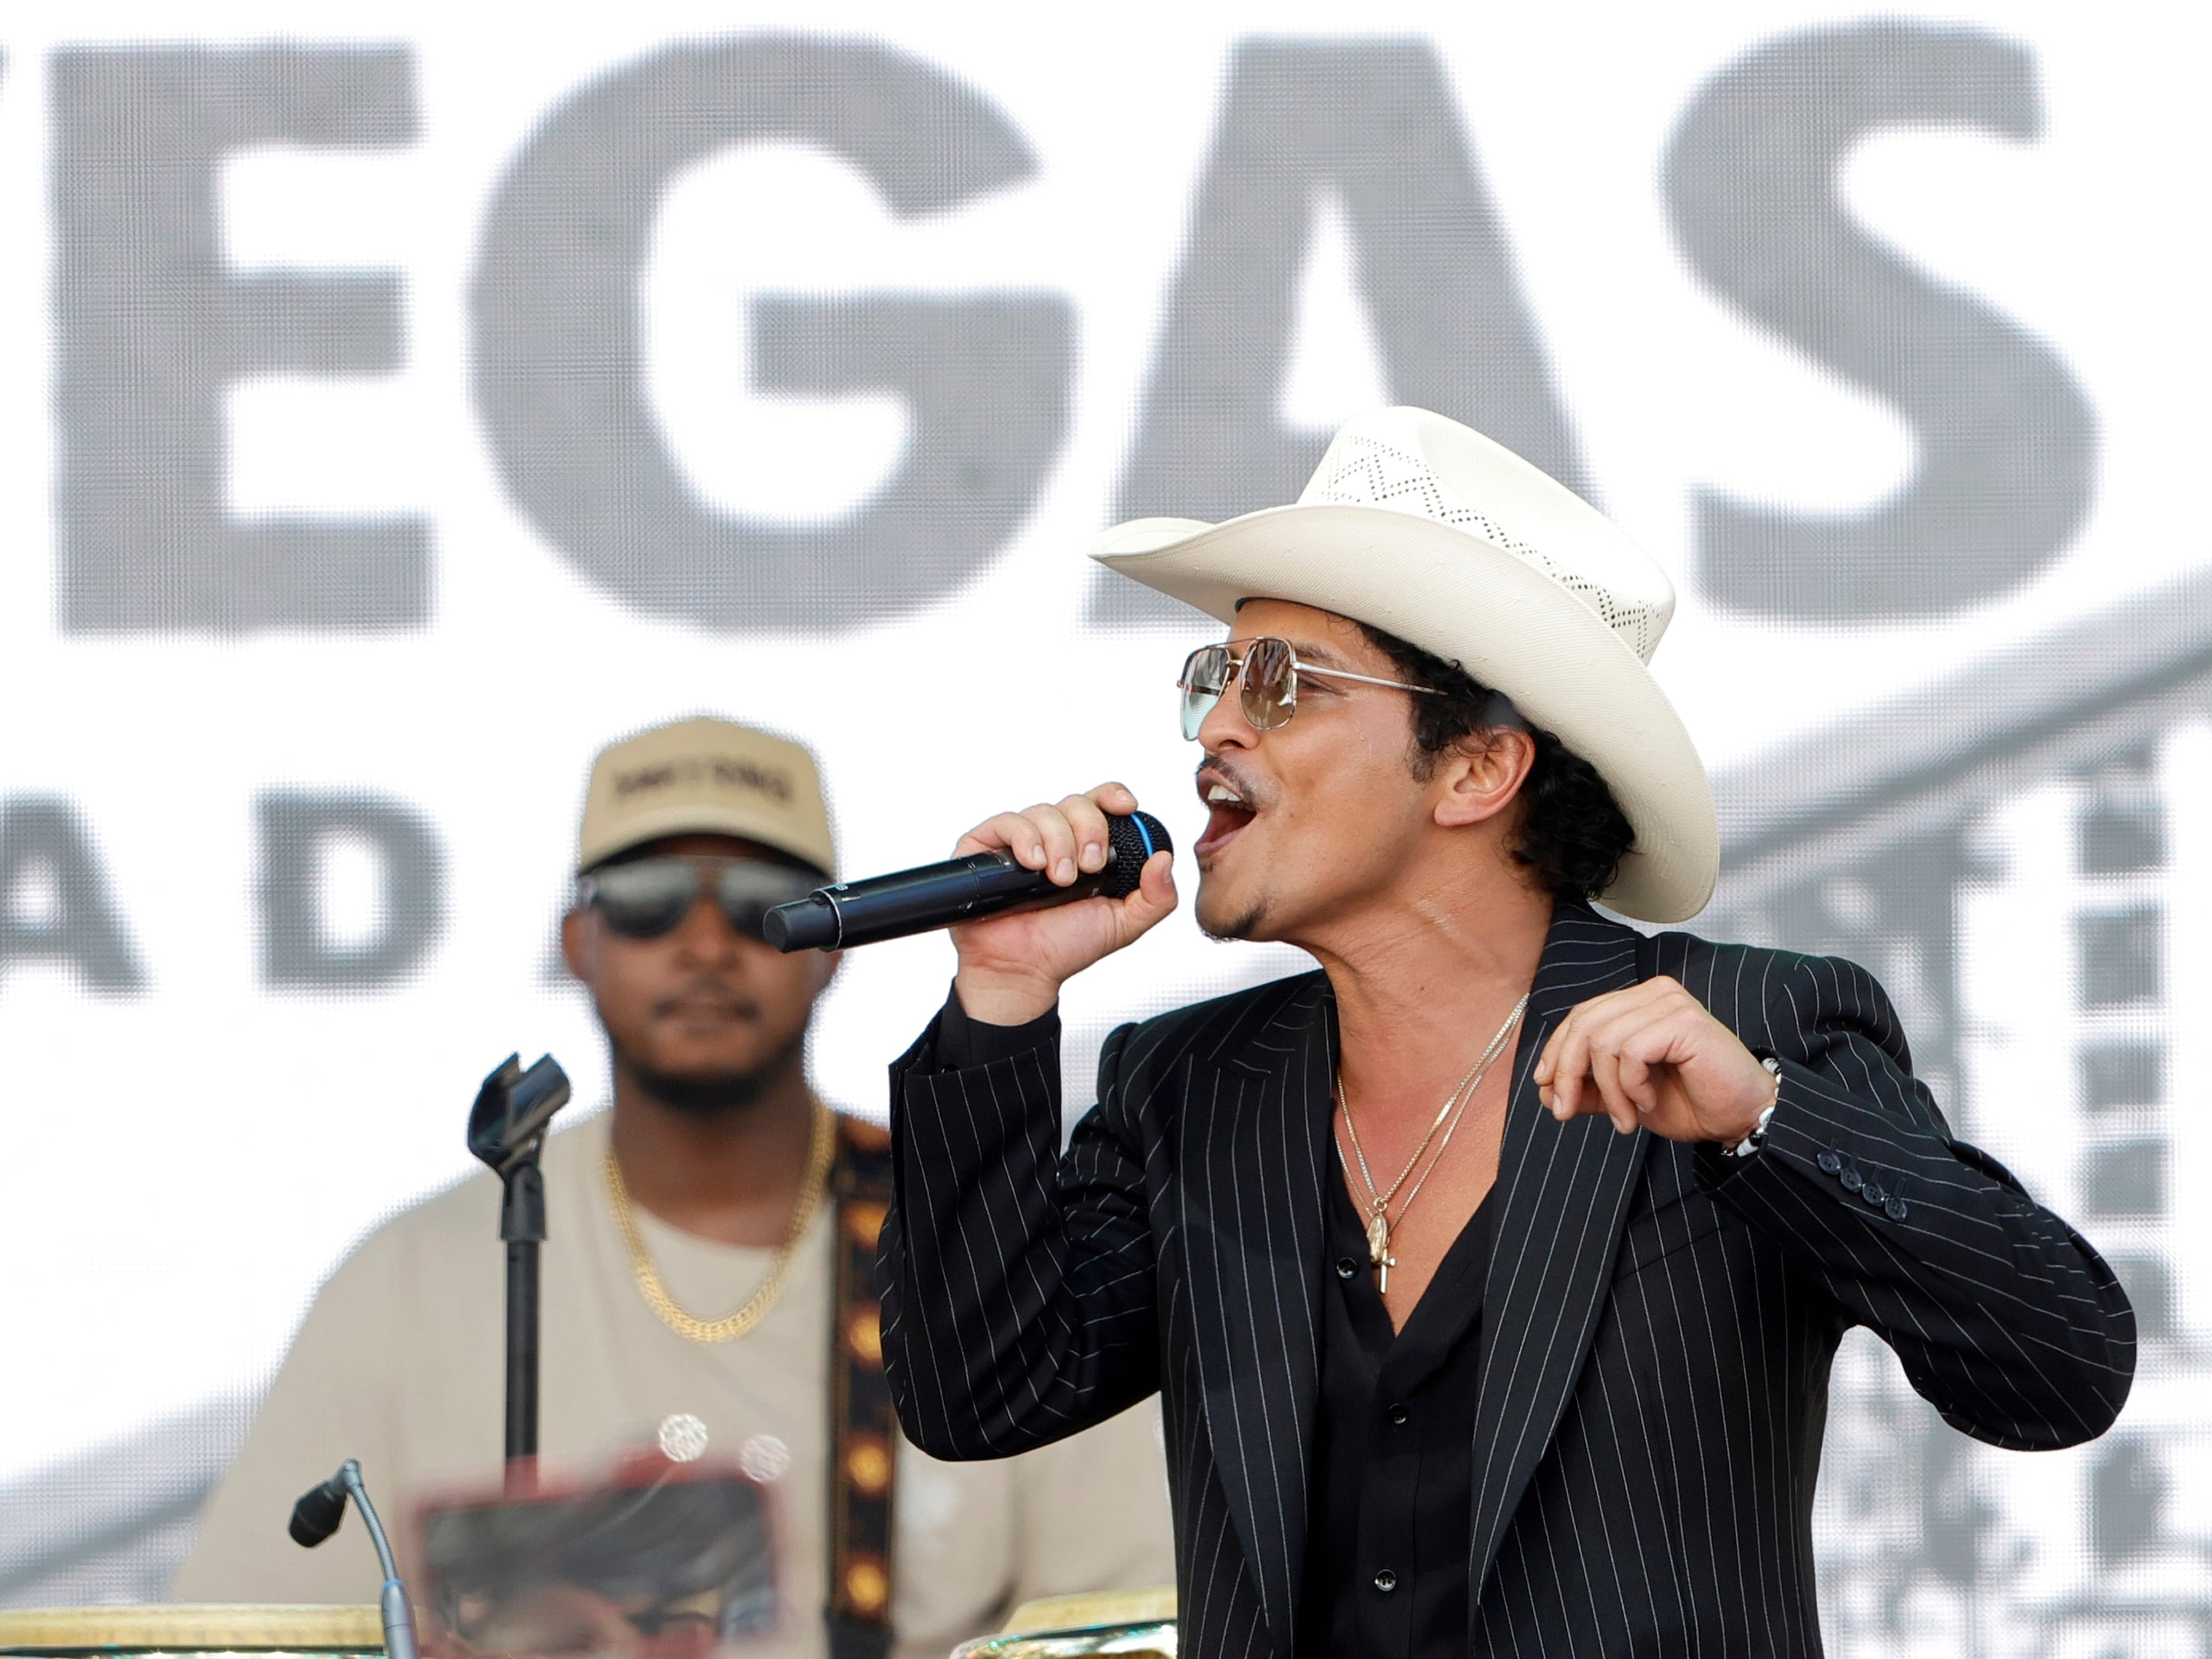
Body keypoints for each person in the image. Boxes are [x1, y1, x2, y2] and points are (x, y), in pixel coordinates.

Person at [877, 408, 2136, 1658]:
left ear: (1476, 771)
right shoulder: (1189, 1084)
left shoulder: (1761, 1028)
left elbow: (2058, 1370)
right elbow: (978, 1392)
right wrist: (1002, 993)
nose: (1216, 727)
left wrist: (1767, 1123)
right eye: (1216, 677)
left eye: (1281, 683)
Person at [178, 717, 1174, 1659]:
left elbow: (1131, 1622)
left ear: (829, 948)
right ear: (580, 944)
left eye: (755, 905)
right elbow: (245, 1629)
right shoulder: (411, 1276)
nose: (704, 943)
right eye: (651, 900)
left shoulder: (990, 1248)